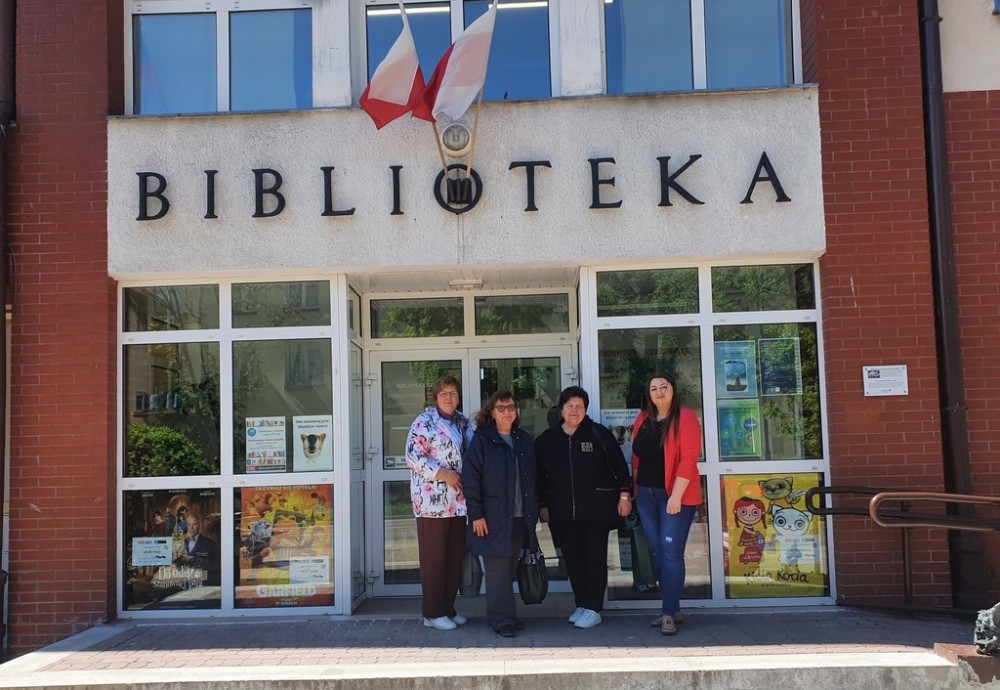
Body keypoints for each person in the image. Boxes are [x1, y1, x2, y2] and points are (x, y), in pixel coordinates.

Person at [535, 386, 631, 629]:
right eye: (570, 406)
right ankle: (582, 604)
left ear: (585, 409)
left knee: (594, 558)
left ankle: (594, 608)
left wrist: (624, 495)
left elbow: (620, 466)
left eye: (579, 406)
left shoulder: (598, 434)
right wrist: (542, 505)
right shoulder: (548, 439)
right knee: (573, 559)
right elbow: (538, 477)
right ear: (561, 409)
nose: (574, 410)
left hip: (596, 510)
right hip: (562, 512)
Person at [630, 372, 703, 636]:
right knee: (658, 551)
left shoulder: (686, 417)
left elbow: (688, 459)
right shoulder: (643, 418)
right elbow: (636, 458)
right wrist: (635, 491)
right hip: (646, 496)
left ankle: (668, 614)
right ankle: (673, 607)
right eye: (654, 388)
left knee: (671, 552)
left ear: (673, 389)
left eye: (664, 386)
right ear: (648, 394)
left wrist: (676, 496)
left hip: (675, 496)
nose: (659, 392)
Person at [462, 391, 539, 638]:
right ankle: (501, 620)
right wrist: (476, 515)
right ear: (492, 412)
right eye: (501, 408)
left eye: (511, 407)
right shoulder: (483, 440)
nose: (507, 412)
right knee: (496, 570)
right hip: (491, 518)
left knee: (509, 569)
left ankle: (507, 615)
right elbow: (470, 480)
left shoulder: (523, 439)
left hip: (519, 517)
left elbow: (533, 476)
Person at [404, 375, 474, 631]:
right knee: (435, 559)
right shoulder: (423, 422)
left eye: (453, 393)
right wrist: (442, 473)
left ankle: (448, 608)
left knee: (453, 559)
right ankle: (433, 613)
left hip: (459, 502)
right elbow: (412, 457)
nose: (449, 397)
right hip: (431, 504)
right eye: (444, 393)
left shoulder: (464, 423)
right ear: (436, 397)